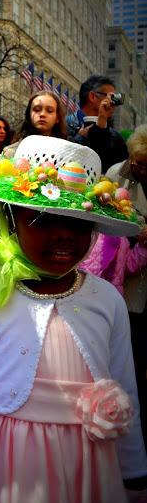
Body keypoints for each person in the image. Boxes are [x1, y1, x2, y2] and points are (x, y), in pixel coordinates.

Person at [0, 135, 147, 503]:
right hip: (3, 466)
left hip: (87, 465)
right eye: (44, 219)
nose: (64, 235)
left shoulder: (106, 300)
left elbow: (125, 390)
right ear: (9, 217)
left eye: (78, 223)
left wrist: (134, 479)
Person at [106, 123, 147, 446]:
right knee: (128, 363)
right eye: (137, 162)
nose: (140, 168)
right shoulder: (115, 176)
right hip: (127, 291)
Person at [68, 74, 128, 172]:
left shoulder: (116, 138)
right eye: (111, 97)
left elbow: (122, 173)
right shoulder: (65, 126)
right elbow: (65, 159)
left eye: (115, 98)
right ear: (92, 96)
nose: (114, 103)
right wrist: (80, 138)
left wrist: (102, 123)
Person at [4, 90, 67, 157]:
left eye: (49, 111)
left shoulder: (68, 153)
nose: (42, 114)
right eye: (37, 110)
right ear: (29, 115)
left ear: (58, 118)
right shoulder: (11, 152)